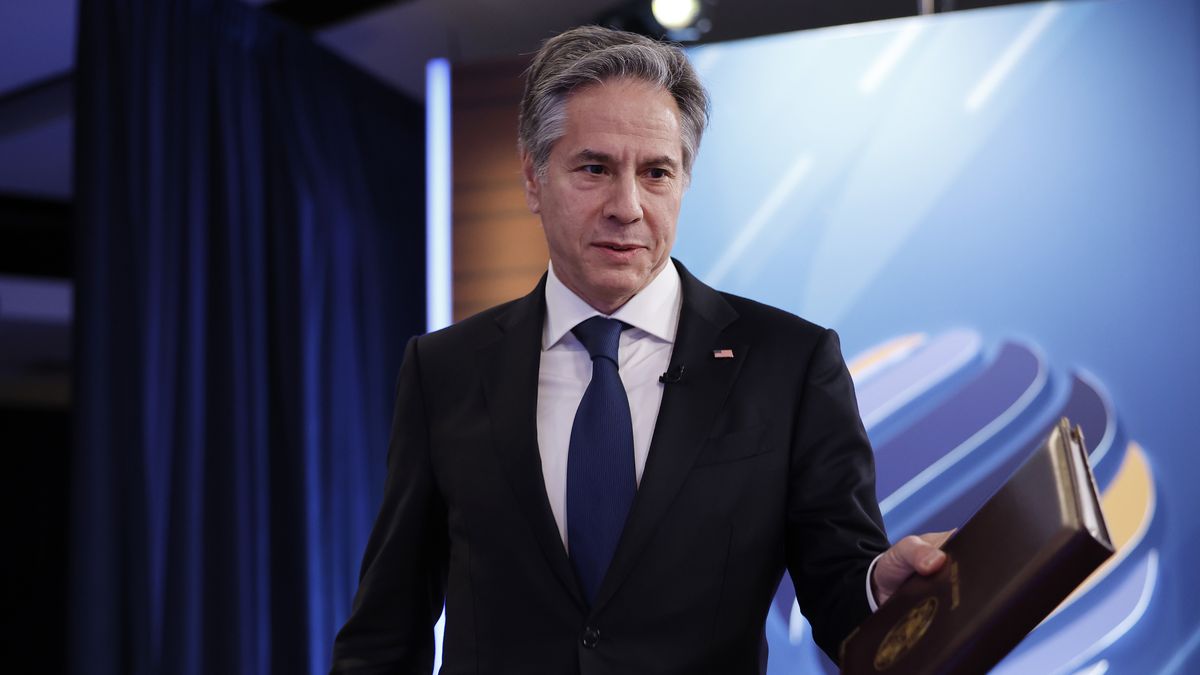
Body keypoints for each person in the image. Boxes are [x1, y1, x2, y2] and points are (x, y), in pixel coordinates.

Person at [331, 25, 949, 675]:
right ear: (532, 177)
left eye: (656, 172)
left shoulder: (790, 364)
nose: (627, 206)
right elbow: (385, 630)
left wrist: (880, 586)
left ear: (683, 180)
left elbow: (839, 586)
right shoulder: (445, 370)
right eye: (594, 168)